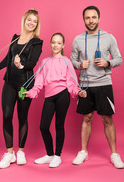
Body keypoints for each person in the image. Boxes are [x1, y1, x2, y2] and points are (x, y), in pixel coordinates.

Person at [0, 9, 43, 169]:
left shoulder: (37, 42)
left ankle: (21, 151)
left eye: (35, 21)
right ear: (24, 21)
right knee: (7, 115)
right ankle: (10, 153)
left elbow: (33, 63)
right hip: (9, 82)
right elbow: (7, 59)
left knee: (22, 117)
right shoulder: (15, 38)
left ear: (37, 25)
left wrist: (21, 65)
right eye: (29, 20)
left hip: (25, 85)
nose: (31, 23)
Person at [71, 6, 124, 169]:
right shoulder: (77, 39)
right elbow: (72, 60)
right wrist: (80, 65)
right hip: (85, 85)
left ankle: (115, 154)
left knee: (107, 119)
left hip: (103, 84)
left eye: (94, 17)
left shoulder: (109, 38)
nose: (91, 20)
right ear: (84, 20)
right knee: (86, 118)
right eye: (87, 18)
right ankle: (83, 152)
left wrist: (107, 63)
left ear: (99, 18)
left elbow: (119, 59)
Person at [22, 33, 86, 168]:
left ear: (63, 45)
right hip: (49, 97)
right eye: (53, 42)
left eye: (59, 43)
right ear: (50, 44)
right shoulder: (44, 61)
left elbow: (72, 81)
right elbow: (39, 81)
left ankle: (57, 156)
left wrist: (78, 91)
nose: (56, 45)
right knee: (43, 126)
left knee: (59, 125)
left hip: (63, 95)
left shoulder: (66, 61)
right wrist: (32, 92)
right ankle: (50, 154)